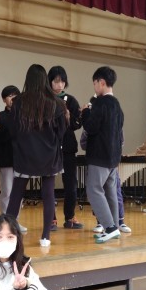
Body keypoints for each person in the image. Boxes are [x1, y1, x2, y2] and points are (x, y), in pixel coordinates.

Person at [1, 64, 67, 247]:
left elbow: (12, 129)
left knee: (16, 194)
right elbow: (62, 131)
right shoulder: (56, 103)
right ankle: (45, 236)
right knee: (48, 194)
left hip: (25, 154)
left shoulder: (19, 102)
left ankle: (7, 234)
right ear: (45, 80)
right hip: (49, 155)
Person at [80, 66, 124, 243]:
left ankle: (110, 228)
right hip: (113, 158)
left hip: (99, 156)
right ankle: (114, 227)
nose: (94, 87)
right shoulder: (117, 105)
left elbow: (91, 127)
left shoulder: (100, 103)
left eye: (95, 83)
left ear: (102, 82)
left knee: (93, 190)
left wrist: (85, 112)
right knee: (110, 191)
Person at [48, 66, 83, 230]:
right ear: (49, 82)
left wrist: (69, 117)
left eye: (62, 81)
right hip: (50, 147)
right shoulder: (45, 99)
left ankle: (70, 216)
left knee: (71, 184)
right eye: (56, 81)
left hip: (68, 147)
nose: (59, 85)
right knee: (48, 184)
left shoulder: (71, 100)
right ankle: (51, 218)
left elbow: (77, 124)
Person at [0, 85, 28, 234]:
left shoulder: (24, 116)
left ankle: (15, 222)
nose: (13, 98)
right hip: (6, 159)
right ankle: (6, 223)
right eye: (9, 96)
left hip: (22, 159)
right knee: (7, 191)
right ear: (4, 99)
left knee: (18, 193)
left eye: (15, 95)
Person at [81, 129, 132, 234]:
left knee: (113, 192)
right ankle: (102, 222)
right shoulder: (91, 124)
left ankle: (118, 222)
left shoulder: (115, 122)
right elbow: (83, 143)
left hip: (109, 160)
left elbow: (121, 141)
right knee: (101, 193)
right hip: (99, 159)